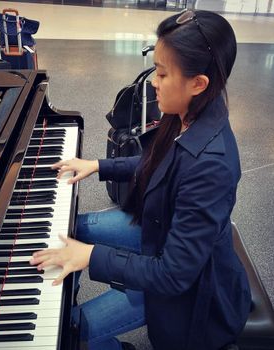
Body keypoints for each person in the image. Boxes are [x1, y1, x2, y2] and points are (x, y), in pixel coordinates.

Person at [30, 9, 252, 350]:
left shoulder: (212, 167)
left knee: (73, 333)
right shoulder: (191, 112)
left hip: (188, 295)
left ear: (198, 83)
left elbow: (173, 274)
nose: (153, 82)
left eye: (162, 74)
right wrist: (97, 165)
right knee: (77, 226)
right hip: (162, 229)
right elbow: (157, 162)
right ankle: (62, 291)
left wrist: (90, 257)